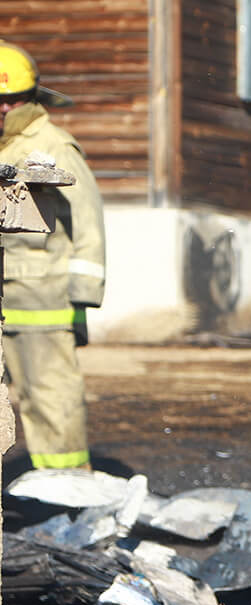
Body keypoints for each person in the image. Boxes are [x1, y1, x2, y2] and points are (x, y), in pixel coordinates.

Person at [0, 40, 104, 471]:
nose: (4, 109)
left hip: (43, 299)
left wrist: (81, 299)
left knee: (50, 395)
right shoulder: (5, 146)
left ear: (30, 99)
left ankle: (68, 495)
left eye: (12, 100)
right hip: (6, 297)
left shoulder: (53, 146)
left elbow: (88, 223)